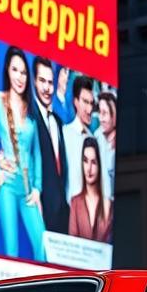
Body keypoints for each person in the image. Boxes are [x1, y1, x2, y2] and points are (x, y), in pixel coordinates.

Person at [0, 46, 46, 262]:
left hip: (27, 189)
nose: (20, 77)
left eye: (24, 72)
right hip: (6, 185)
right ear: (7, 70)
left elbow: (36, 154)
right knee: (11, 252)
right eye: (15, 70)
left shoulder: (31, 109)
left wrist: (37, 188)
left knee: (42, 247)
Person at [30, 56, 70, 235]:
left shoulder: (59, 123)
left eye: (50, 82)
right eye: (42, 81)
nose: (47, 88)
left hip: (61, 218)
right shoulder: (28, 117)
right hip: (38, 212)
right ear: (34, 82)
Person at [68, 137, 112, 243]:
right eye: (85, 161)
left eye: (93, 162)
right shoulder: (75, 203)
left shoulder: (109, 204)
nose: (89, 168)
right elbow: (72, 242)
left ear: (99, 165)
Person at [62, 75, 97, 204]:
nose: (89, 109)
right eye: (85, 102)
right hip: (68, 212)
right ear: (76, 102)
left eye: (91, 103)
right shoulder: (64, 133)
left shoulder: (93, 139)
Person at [94, 91, 117, 201]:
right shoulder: (97, 136)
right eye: (99, 112)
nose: (100, 118)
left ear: (114, 116)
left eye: (104, 113)